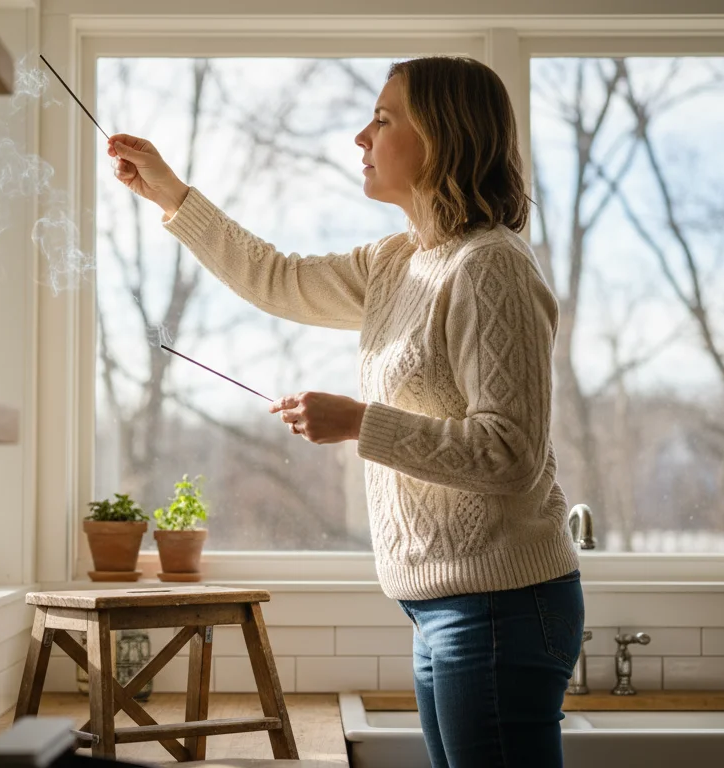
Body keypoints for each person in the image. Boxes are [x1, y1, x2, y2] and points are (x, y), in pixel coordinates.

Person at [107, 56, 584, 768]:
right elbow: (278, 278)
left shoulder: (490, 266)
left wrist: (363, 423)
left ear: (444, 137)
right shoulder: (398, 262)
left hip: (499, 607)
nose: (361, 136)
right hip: (442, 608)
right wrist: (172, 195)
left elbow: (510, 453)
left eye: (384, 119)